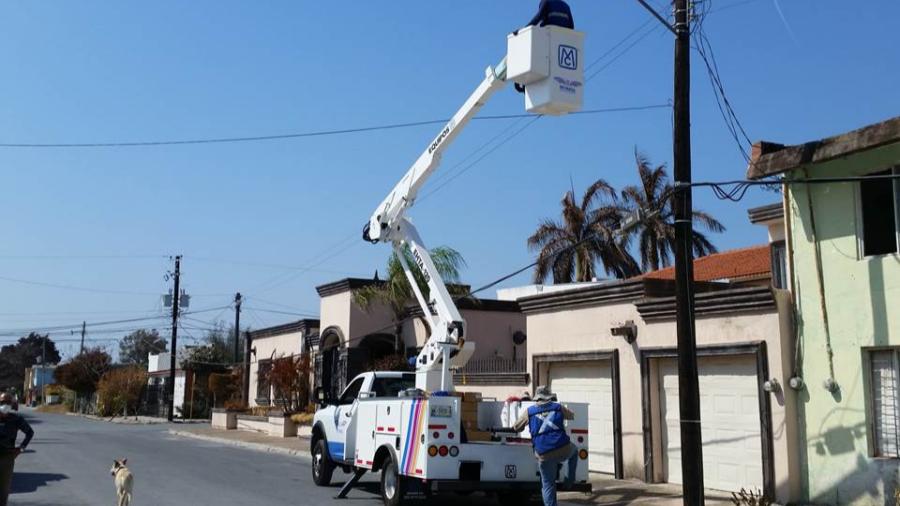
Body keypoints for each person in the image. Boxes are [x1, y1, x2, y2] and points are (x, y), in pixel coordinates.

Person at [513, 386, 578, 506]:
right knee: (575, 451)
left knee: (548, 485)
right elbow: (572, 415)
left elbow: (516, 427)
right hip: (562, 448)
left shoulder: (530, 411)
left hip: (544, 453)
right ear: (549, 396)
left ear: (536, 398)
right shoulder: (558, 407)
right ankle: (569, 481)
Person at [514, 0, 575, 94]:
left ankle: (525, 80)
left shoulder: (546, 2)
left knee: (533, 55)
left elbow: (538, 17)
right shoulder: (566, 6)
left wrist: (523, 30)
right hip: (562, 45)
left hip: (548, 41)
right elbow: (571, 28)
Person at [0, 392, 33, 506]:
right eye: (2, 402)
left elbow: (29, 433)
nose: (5, 405)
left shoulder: (16, 419)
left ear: (12, 404)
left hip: (7, 458)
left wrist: (21, 449)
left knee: (3, 491)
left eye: (8, 402)